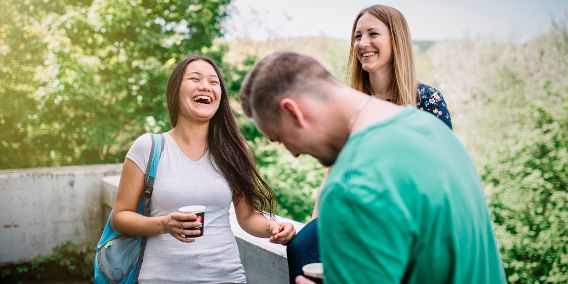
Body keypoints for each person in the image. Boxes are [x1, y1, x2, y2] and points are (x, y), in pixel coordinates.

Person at [240, 51, 506, 283]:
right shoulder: (431, 129)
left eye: (281, 138)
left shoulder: (352, 182)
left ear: (293, 111)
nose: (294, 152)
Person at [286, 5, 453, 282]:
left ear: (395, 40)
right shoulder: (349, 100)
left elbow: (444, 175)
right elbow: (334, 170)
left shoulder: (427, 100)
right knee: (302, 245)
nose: (363, 44)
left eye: (373, 34)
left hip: (405, 221)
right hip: (351, 214)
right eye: (357, 36)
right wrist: (315, 223)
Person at [111, 55, 296, 283]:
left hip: (226, 276)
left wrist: (273, 228)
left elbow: (247, 216)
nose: (205, 86)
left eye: (214, 82)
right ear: (175, 91)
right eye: (195, 79)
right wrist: (164, 224)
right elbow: (119, 217)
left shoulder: (234, 152)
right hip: (160, 277)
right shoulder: (148, 147)